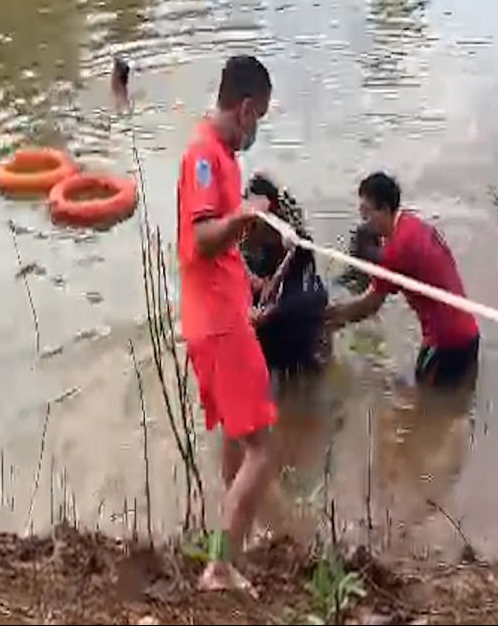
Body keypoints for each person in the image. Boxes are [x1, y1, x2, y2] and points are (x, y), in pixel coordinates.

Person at [176, 54, 279, 594]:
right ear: (243, 109)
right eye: (258, 115)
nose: (256, 127)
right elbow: (199, 239)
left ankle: (229, 537)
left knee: (239, 442)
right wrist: (244, 216)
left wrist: (250, 283)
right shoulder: (203, 157)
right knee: (266, 448)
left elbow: (219, 250)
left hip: (221, 312)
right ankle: (219, 564)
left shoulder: (221, 155)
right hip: (217, 326)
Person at [325, 172, 480, 390]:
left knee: (426, 408)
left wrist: (332, 317)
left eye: (367, 214)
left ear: (385, 209)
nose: (364, 222)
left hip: (446, 344)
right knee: (454, 408)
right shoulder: (412, 224)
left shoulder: (397, 250)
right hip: (469, 333)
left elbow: (370, 305)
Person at [240, 174, 330, 381]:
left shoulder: (296, 241)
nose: (254, 226)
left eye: (261, 219)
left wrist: (274, 309)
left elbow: (314, 296)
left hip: (294, 311)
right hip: (261, 313)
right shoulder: (243, 237)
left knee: (304, 313)